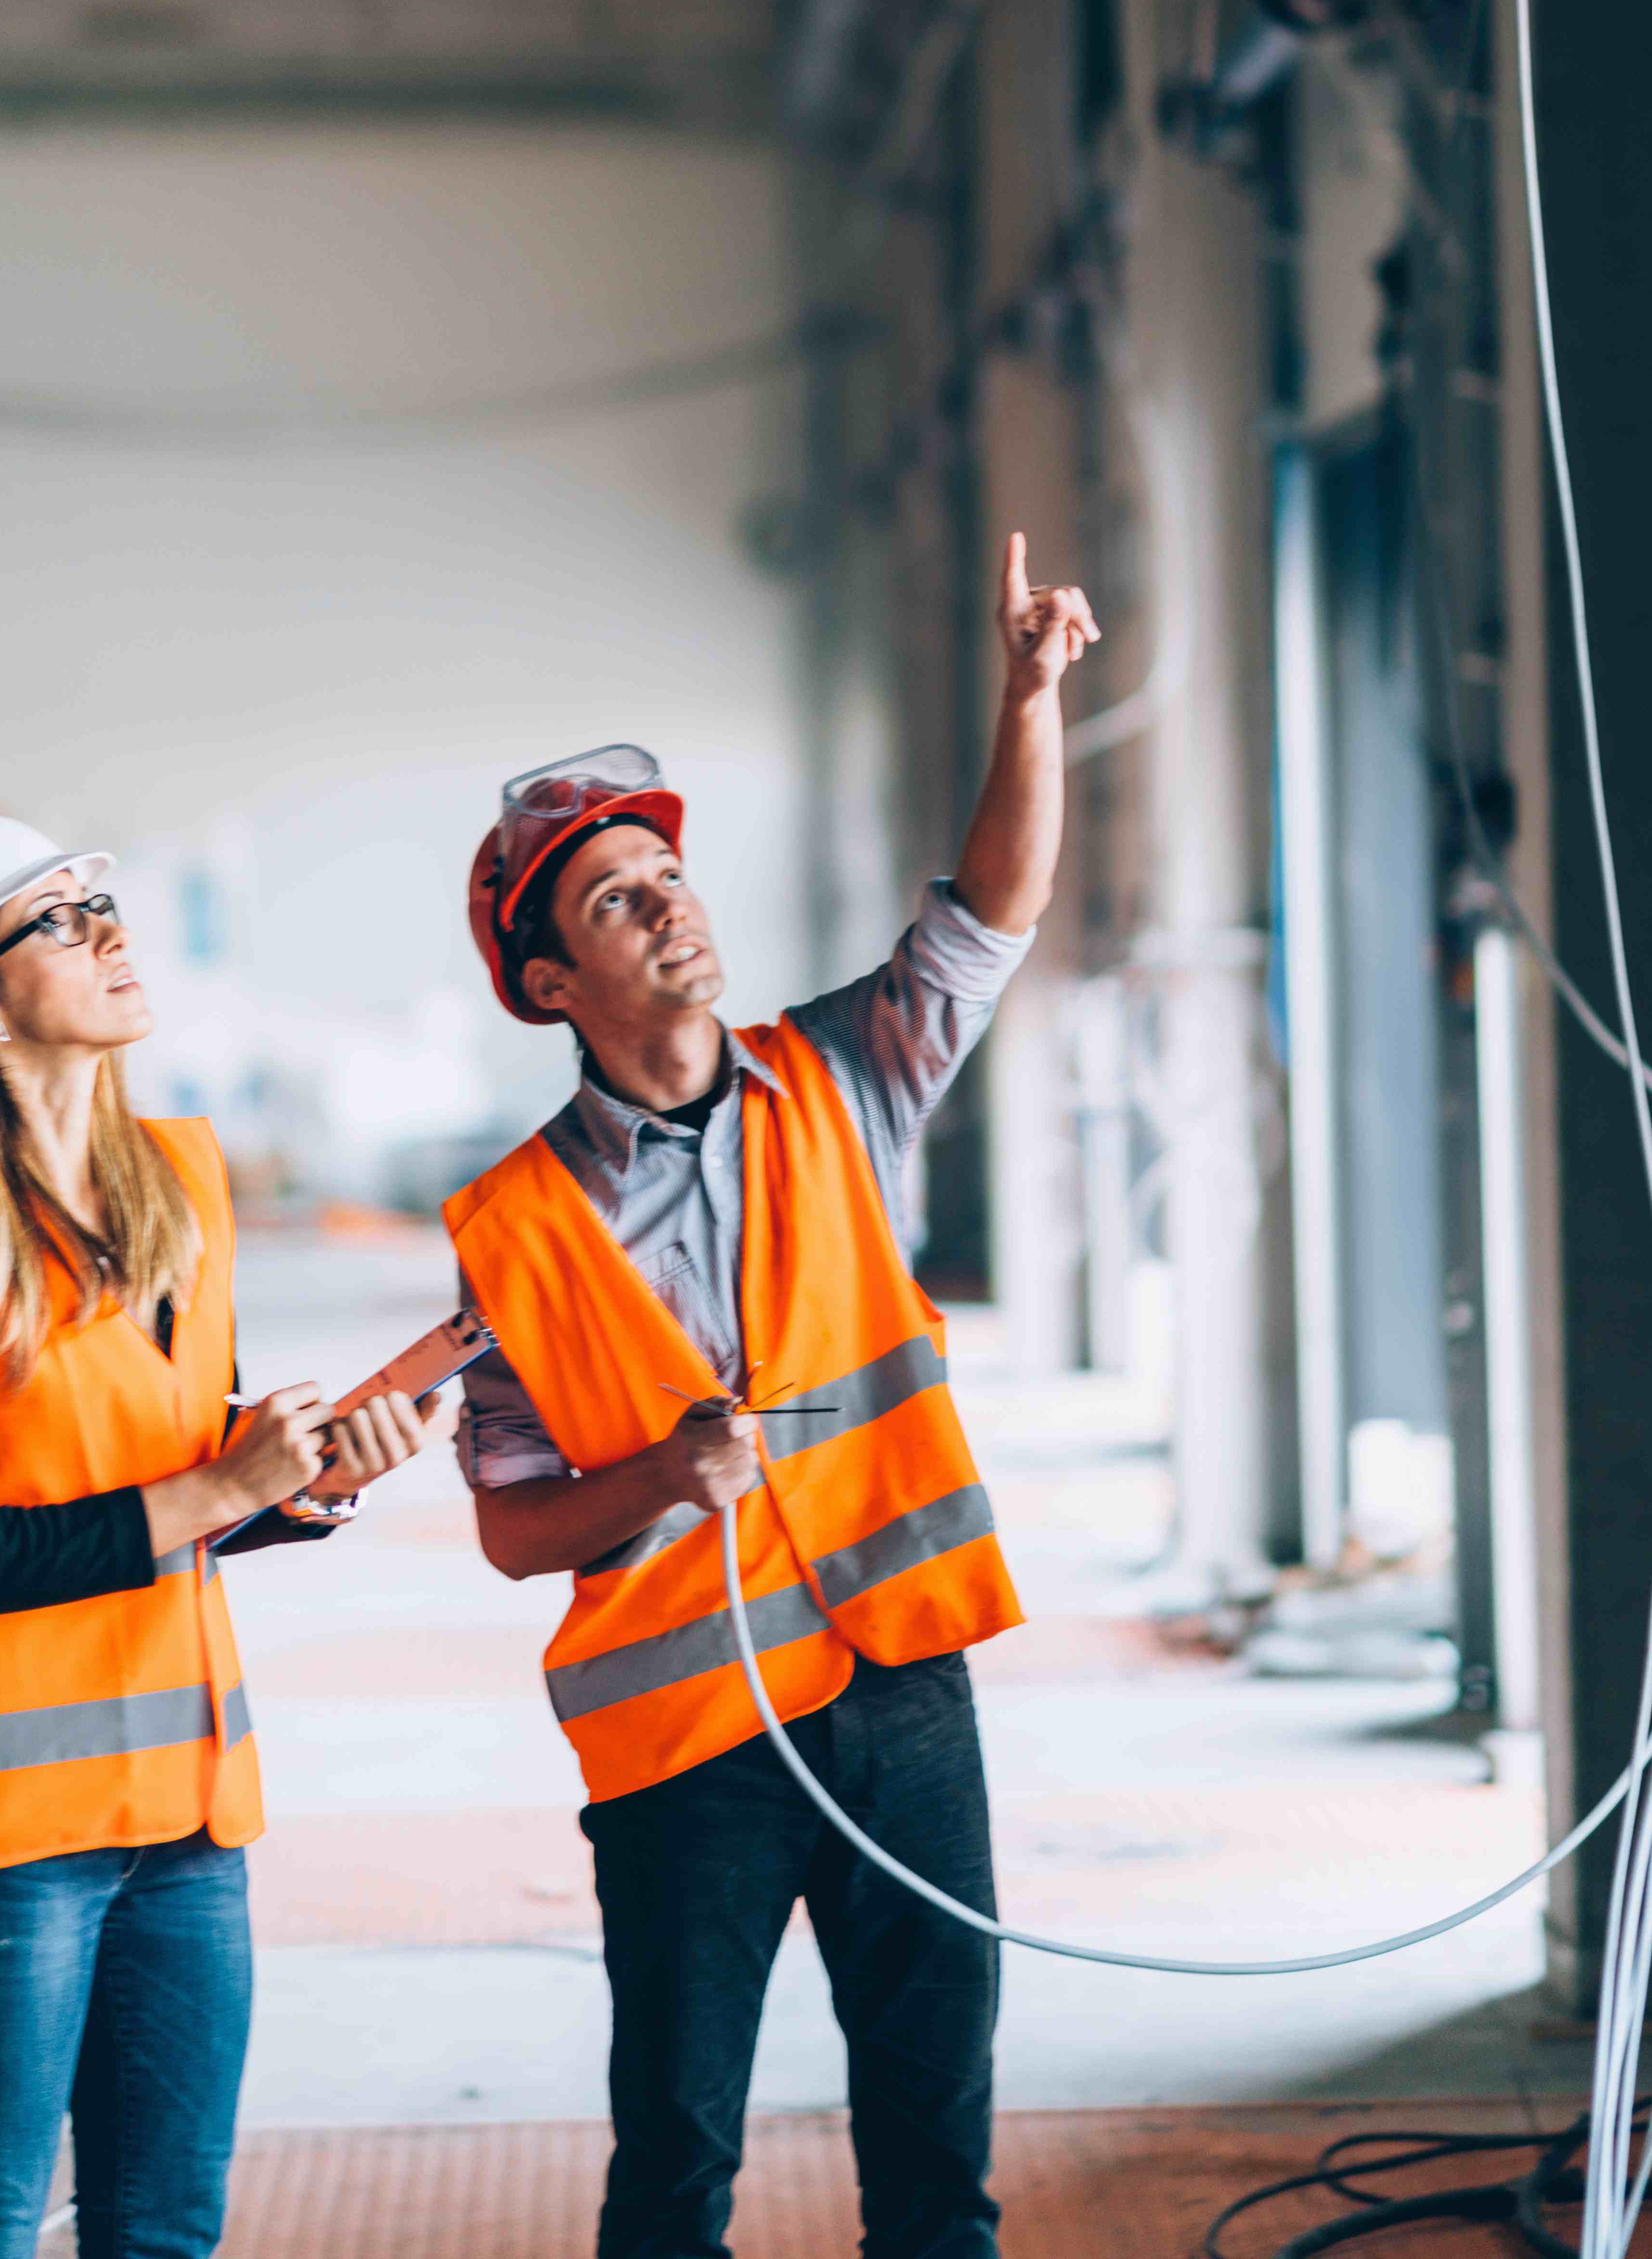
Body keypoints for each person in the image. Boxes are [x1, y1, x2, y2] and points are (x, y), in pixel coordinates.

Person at [450, 532, 1099, 2259]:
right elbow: (513, 1532)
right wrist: (662, 1475)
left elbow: (990, 917)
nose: (670, 906)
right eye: (615, 902)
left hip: (901, 1696)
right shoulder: (514, 1227)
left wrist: (1029, 700)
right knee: (674, 2166)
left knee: (933, 2150)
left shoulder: (840, 1080)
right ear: (546, 987)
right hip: (684, 1748)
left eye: (668, 878)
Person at [0, 802, 452, 2259]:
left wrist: (305, 1480)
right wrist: (221, 1491)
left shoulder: (181, 1191)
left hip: (185, 1817)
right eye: (56, 919)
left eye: (100, 902)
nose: (107, 935)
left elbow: (165, 1479)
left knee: (162, 2230)